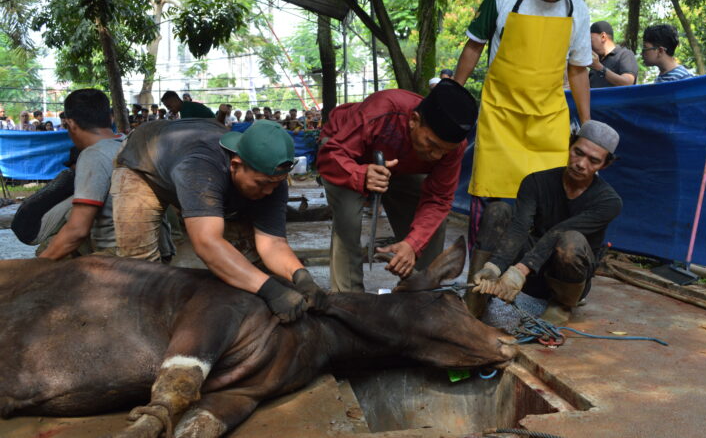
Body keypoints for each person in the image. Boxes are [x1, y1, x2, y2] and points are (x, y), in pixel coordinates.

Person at [453, 0, 593, 249]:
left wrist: (587, 126)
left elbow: (578, 70)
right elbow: (474, 46)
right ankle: (482, 273)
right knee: (493, 198)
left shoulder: (577, 11)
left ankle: (531, 273)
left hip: (548, 121)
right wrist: (452, 93)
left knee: (548, 200)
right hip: (501, 116)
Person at [110, 119, 324, 323]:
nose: (269, 191)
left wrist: (301, 276)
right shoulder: (201, 168)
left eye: (275, 185)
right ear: (236, 164)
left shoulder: (272, 178)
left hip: (188, 164)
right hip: (143, 164)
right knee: (138, 267)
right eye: (261, 183)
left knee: (249, 263)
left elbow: (272, 243)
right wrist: (270, 290)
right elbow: (207, 243)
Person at [317, 79, 478, 292]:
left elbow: (439, 199)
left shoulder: (454, 148)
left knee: (432, 226)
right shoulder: (383, 109)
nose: (436, 156)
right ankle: (348, 300)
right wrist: (361, 174)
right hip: (346, 155)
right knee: (347, 221)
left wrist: (413, 243)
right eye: (432, 145)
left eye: (444, 151)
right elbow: (329, 157)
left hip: (401, 165)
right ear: (413, 120)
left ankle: (420, 291)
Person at [469, 120, 622, 326]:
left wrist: (519, 271)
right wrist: (495, 267)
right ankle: (476, 294)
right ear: (570, 145)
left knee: (571, 240)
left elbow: (560, 231)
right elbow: (519, 227)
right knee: (498, 211)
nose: (581, 163)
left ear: (606, 164)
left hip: (562, 276)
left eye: (593, 161)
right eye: (578, 152)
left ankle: (561, 305)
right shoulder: (535, 182)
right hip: (530, 271)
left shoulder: (609, 201)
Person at [38, 89, 125, 260]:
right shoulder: (127, 142)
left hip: (116, 256)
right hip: (150, 246)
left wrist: (33, 269)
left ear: (70, 124)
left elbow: (77, 231)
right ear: (110, 118)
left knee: (47, 249)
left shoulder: (94, 155)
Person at [588, 21, 638, 88]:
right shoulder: (596, 61)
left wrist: (600, 68)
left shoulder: (624, 54)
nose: (588, 44)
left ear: (603, 37)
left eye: (590, 39)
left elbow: (627, 82)